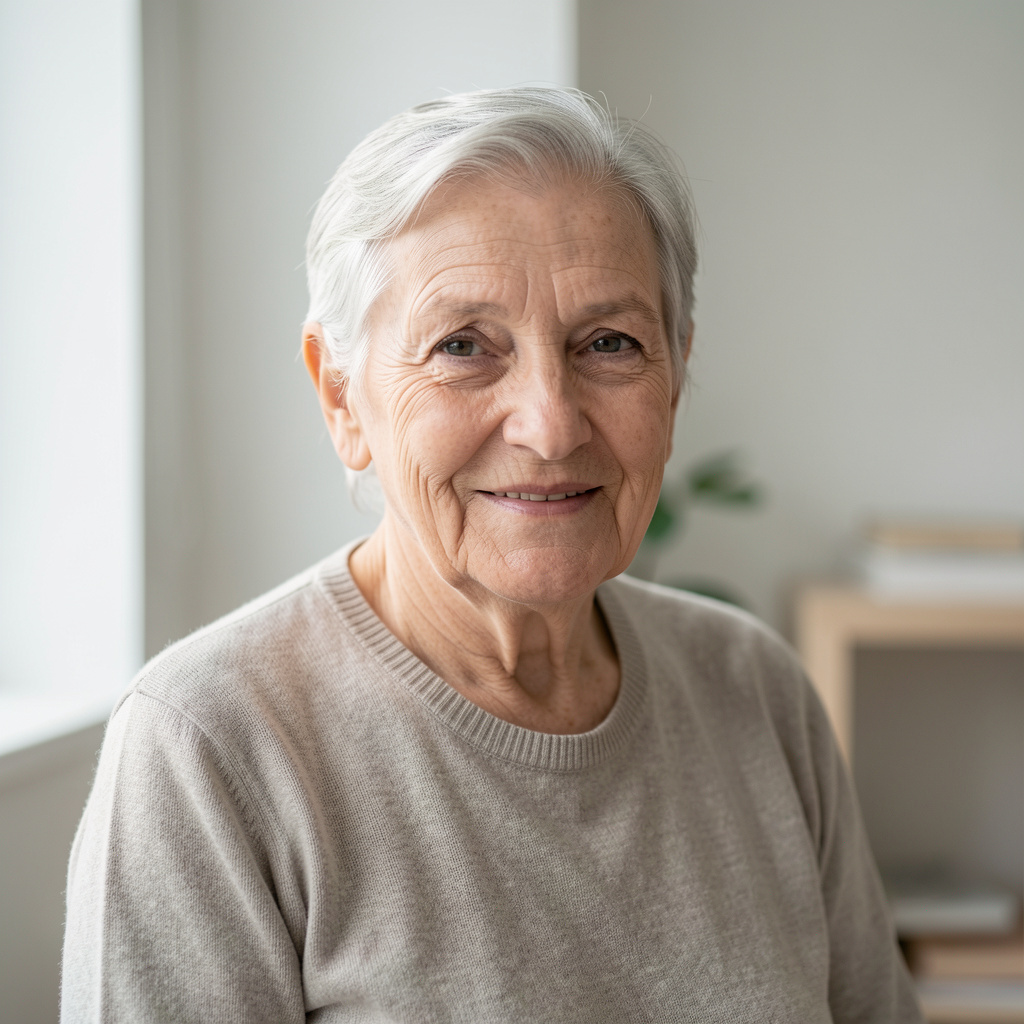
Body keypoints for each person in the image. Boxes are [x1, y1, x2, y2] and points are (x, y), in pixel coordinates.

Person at [61, 87, 924, 1022]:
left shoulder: (754, 689)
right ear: (343, 398)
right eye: (464, 346)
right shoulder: (209, 748)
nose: (551, 425)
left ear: (674, 378)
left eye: (608, 342)